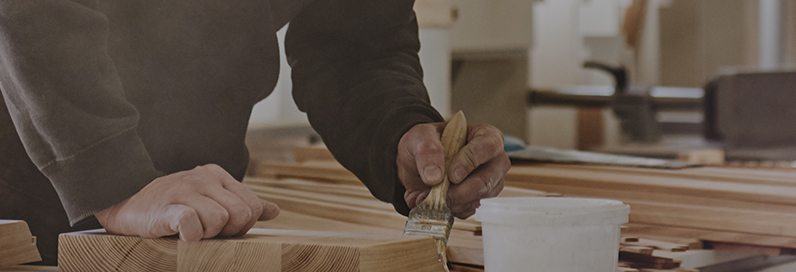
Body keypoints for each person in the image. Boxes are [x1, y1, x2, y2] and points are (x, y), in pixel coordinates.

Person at [0, 0, 510, 264]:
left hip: (201, 212)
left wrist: (399, 131)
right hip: (24, 195)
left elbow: (356, 46)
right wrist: (114, 180)